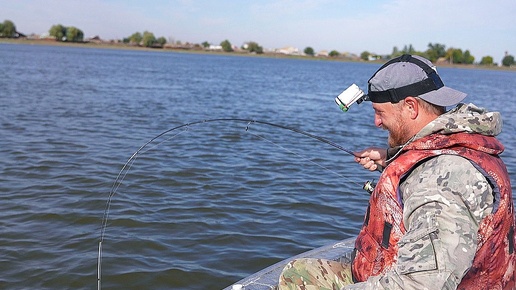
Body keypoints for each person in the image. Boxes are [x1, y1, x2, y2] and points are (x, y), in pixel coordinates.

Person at [278, 54, 516, 289]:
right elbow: (432, 162)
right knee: (299, 273)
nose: (377, 123)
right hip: (384, 270)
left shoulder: (442, 182)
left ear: (411, 106)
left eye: (380, 112)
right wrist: (392, 161)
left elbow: (420, 284)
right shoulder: (457, 145)